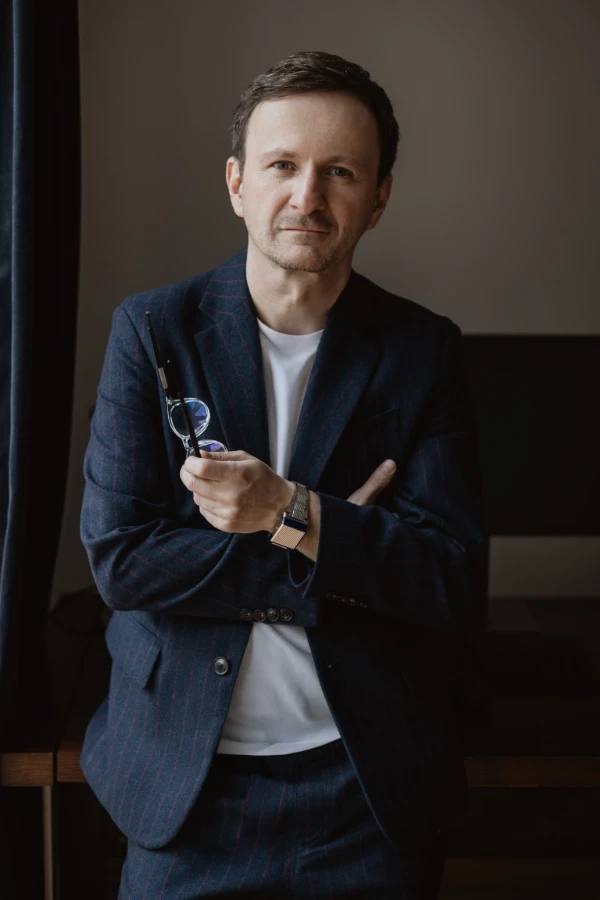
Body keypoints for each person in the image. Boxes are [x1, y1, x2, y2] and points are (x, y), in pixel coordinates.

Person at [80, 50, 487, 899]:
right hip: (185, 785)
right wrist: (328, 535)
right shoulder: (152, 330)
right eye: (282, 166)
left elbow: (448, 577)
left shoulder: (424, 351)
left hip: (365, 788)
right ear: (237, 182)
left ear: (379, 196)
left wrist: (284, 507)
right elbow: (122, 561)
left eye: (340, 172)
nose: (307, 197)